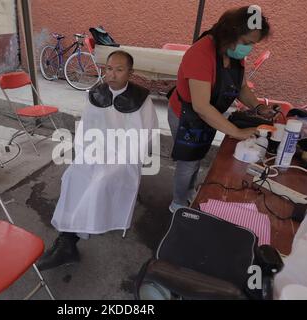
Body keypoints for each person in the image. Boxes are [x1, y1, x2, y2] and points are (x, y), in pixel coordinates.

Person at [37, 50, 158, 271]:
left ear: (130, 73)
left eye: (119, 70)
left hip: (125, 156)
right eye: (109, 69)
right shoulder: (96, 94)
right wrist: (86, 154)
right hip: (96, 150)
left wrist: (120, 157)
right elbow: (86, 128)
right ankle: (67, 239)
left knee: (100, 180)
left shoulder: (142, 99)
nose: (112, 74)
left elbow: (146, 135)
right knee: (73, 175)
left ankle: (68, 241)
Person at [167, 6, 275, 213]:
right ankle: (178, 204)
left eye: (253, 44)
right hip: (186, 115)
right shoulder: (201, 53)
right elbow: (200, 106)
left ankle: (190, 191)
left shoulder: (233, 52)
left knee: (197, 156)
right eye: (247, 42)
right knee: (188, 161)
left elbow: (241, 88)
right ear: (231, 33)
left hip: (208, 114)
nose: (249, 49)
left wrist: (258, 107)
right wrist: (236, 132)